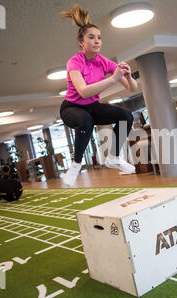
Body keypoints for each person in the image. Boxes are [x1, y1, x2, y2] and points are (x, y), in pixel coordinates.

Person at [59, 4, 138, 186]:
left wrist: (128, 75)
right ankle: (76, 165)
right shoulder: (74, 62)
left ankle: (114, 157)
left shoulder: (104, 62)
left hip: (92, 107)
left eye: (99, 38)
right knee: (85, 120)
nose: (97, 41)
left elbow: (131, 88)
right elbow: (84, 91)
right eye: (91, 37)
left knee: (126, 116)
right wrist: (113, 79)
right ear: (81, 42)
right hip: (72, 108)